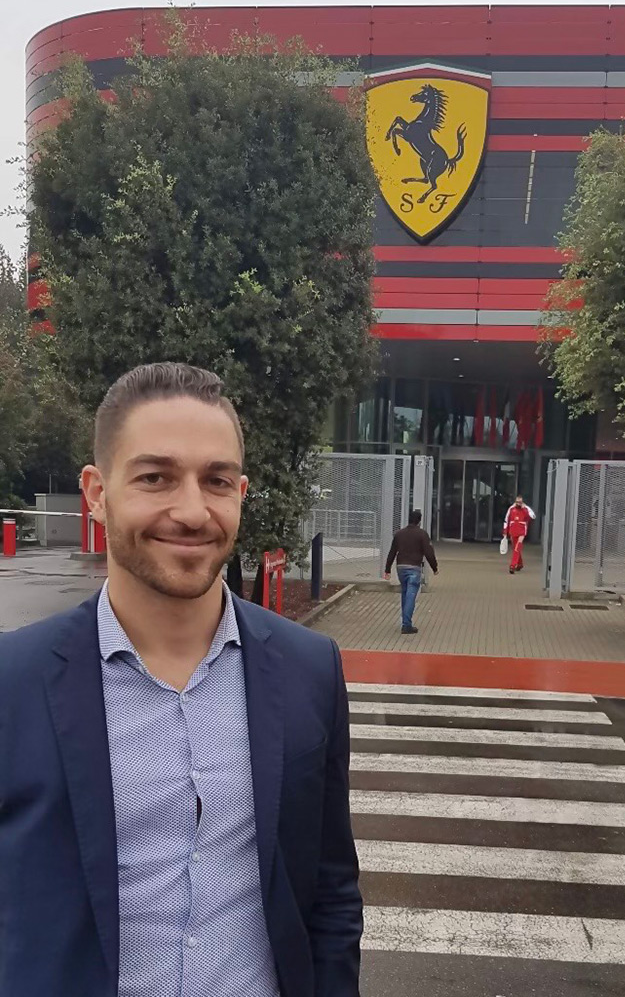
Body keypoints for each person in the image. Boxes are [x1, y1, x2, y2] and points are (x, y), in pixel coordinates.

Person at [0, 363, 362, 997]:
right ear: (96, 491)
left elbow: (330, 893)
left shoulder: (311, 671)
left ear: (241, 492)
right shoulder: (13, 682)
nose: (193, 511)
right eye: (155, 477)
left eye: (216, 481)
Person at [383, 509, 438, 634]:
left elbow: (392, 552)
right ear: (419, 521)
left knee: (405, 593)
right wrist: (435, 568)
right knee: (411, 595)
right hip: (414, 567)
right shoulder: (422, 534)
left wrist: (387, 569)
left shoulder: (399, 534)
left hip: (401, 567)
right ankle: (406, 625)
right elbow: (429, 552)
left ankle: (405, 621)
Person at [503, 494, 536, 574]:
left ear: (522, 502)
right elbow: (506, 520)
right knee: (515, 549)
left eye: (520, 502)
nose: (518, 504)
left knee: (517, 548)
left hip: (521, 531)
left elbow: (533, 516)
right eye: (517, 502)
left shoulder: (526, 508)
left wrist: (524, 509)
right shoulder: (511, 508)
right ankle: (520, 564)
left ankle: (512, 565)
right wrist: (505, 532)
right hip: (513, 530)